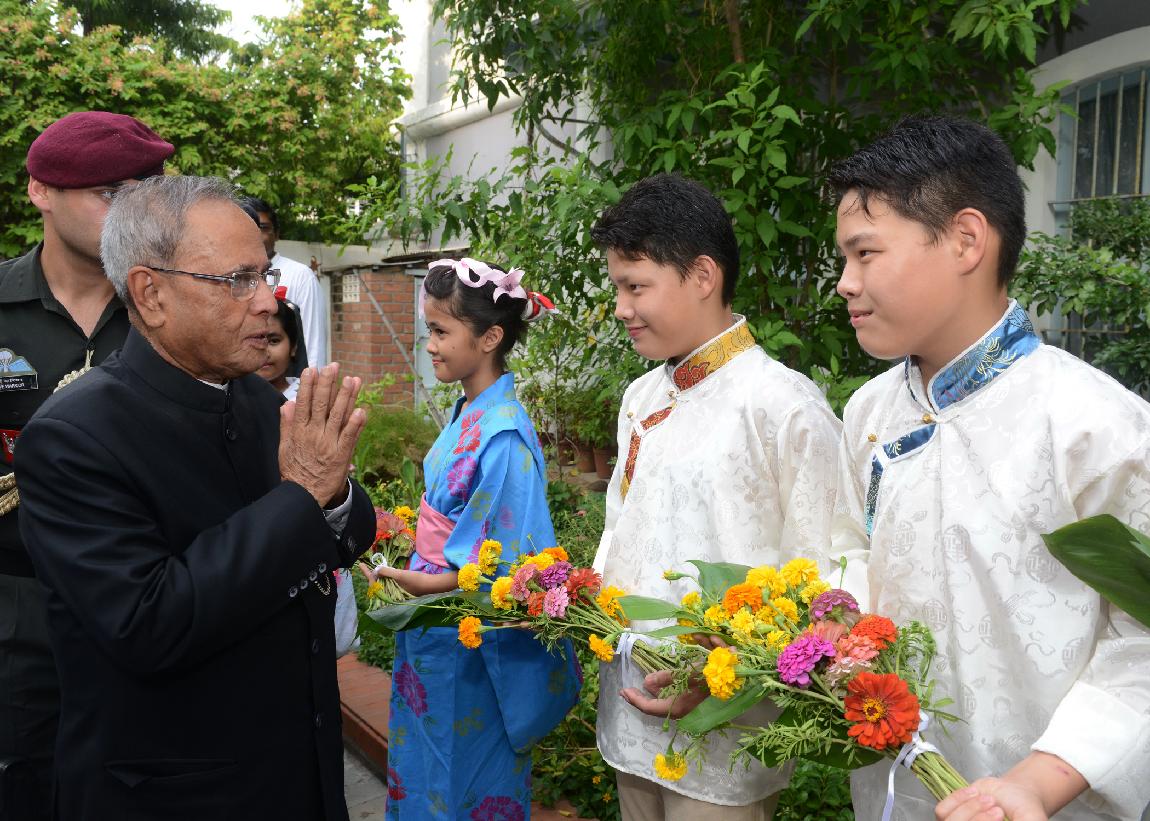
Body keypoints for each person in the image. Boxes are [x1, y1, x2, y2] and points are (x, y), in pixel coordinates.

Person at [14, 174, 376, 821]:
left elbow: (346, 527)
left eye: (264, 274)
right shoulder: (72, 437)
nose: (267, 300)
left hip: (298, 779)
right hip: (174, 796)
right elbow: (150, 624)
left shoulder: (255, 399)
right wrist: (303, 494)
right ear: (150, 294)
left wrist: (333, 490)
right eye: (237, 280)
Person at [828, 116, 1150, 821]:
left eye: (865, 253)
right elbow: (849, 545)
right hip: (895, 786)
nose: (846, 283)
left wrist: (1037, 782)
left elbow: (1143, 638)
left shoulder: (1097, 426)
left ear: (966, 240)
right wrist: (835, 625)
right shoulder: (868, 412)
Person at [589, 173, 842, 821]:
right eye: (617, 287)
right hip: (630, 706)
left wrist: (726, 669)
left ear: (703, 275)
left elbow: (820, 576)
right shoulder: (642, 398)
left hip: (726, 723)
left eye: (635, 286)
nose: (620, 308)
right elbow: (618, 533)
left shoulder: (783, 405)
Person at [0, 110, 173, 819]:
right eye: (109, 193)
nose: (130, 209)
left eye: (143, 191)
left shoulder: (169, 309)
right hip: (18, 621)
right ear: (41, 191)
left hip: (152, 610)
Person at [370, 258, 580, 819]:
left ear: (490, 338)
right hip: (437, 628)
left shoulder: (503, 433)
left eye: (441, 332)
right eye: (429, 330)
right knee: (427, 770)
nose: (430, 346)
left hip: (470, 638)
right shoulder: (471, 410)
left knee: (466, 779)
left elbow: (507, 567)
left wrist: (422, 582)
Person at [242, 196, 328, 368]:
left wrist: (310, 380)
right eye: (249, 227)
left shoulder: (300, 276)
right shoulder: (232, 276)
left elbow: (313, 342)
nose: (256, 234)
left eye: (263, 227)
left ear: (276, 234)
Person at [258, 290, 304, 400]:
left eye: (274, 341)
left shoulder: (307, 397)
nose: (265, 352)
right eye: (256, 340)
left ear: (293, 347)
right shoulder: (228, 397)